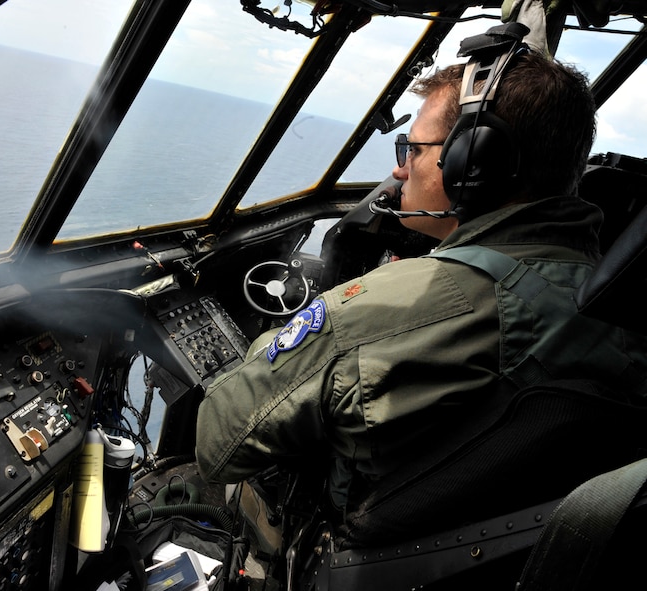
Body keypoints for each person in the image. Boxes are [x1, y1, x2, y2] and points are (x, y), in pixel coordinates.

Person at [194, 30, 647, 547]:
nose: (398, 167)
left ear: (475, 163)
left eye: (412, 147)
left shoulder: (396, 306)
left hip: (351, 557)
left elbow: (217, 441)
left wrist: (296, 339)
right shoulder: (620, 297)